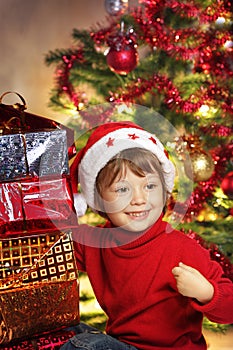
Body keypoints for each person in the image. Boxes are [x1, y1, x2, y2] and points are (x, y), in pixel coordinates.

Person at [61, 121, 233, 350]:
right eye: (122, 189)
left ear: (165, 192)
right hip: (120, 345)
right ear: (98, 200)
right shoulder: (95, 243)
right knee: (64, 333)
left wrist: (207, 293)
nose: (139, 199)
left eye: (150, 186)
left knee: (87, 346)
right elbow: (53, 237)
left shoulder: (181, 249)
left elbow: (229, 309)